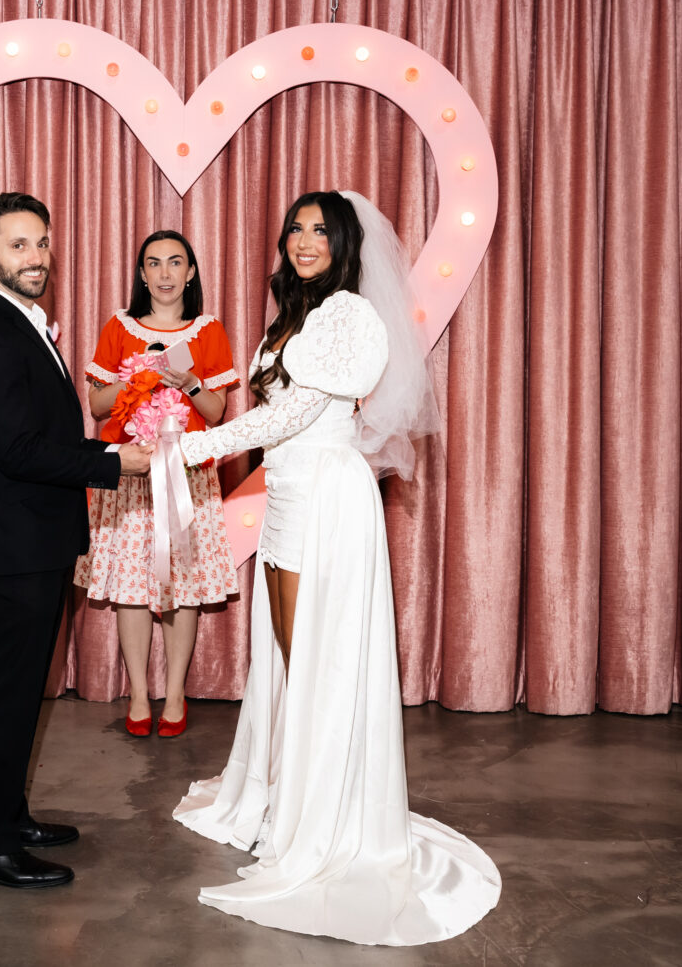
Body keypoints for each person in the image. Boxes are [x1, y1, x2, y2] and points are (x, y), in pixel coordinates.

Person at [171, 191, 502, 944]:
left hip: (328, 498)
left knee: (322, 660)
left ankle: (327, 816)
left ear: (346, 244)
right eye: (296, 226)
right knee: (290, 660)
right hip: (285, 496)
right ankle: (291, 791)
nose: (303, 239)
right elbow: (266, 405)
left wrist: (181, 450)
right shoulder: (293, 315)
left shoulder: (350, 315)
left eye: (320, 230)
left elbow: (290, 414)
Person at [0, 192, 153, 890]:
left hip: (33, 542)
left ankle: (8, 816)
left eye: (41, 242)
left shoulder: (21, 325)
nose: (34, 257)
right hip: (12, 551)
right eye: (17, 245)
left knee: (21, 696)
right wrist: (112, 462)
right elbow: (18, 450)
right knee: (8, 698)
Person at [75, 230, 240, 737]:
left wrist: (188, 383)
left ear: (190, 273)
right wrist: (138, 377)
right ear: (141, 274)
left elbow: (216, 413)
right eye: (154, 263)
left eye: (176, 263)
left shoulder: (208, 331)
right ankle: (140, 696)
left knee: (180, 586)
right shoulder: (119, 328)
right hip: (127, 474)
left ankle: (175, 697)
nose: (165, 274)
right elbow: (97, 406)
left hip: (185, 476)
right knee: (130, 587)